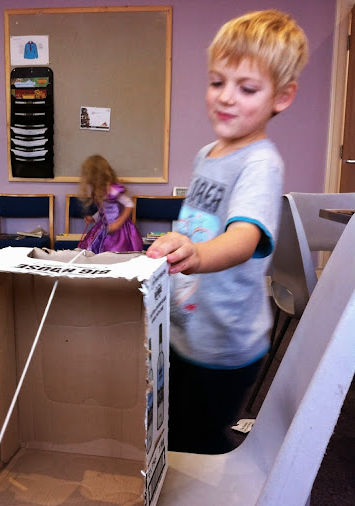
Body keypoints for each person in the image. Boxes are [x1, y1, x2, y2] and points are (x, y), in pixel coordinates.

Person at [147, 10, 309, 454]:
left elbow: (244, 239)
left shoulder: (260, 162)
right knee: (168, 428)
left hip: (223, 344)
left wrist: (196, 254)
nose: (226, 97)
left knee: (196, 442)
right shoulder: (207, 154)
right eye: (217, 82)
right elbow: (200, 221)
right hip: (186, 329)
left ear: (282, 96)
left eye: (247, 88)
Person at [77, 155, 143, 253]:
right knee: (96, 248)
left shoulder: (112, 190)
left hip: (119, 230)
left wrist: (118, 223)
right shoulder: (97, 191)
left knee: (114, 250)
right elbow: (103, 211)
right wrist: (94, 218)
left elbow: (129, 204)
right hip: (104, 227)